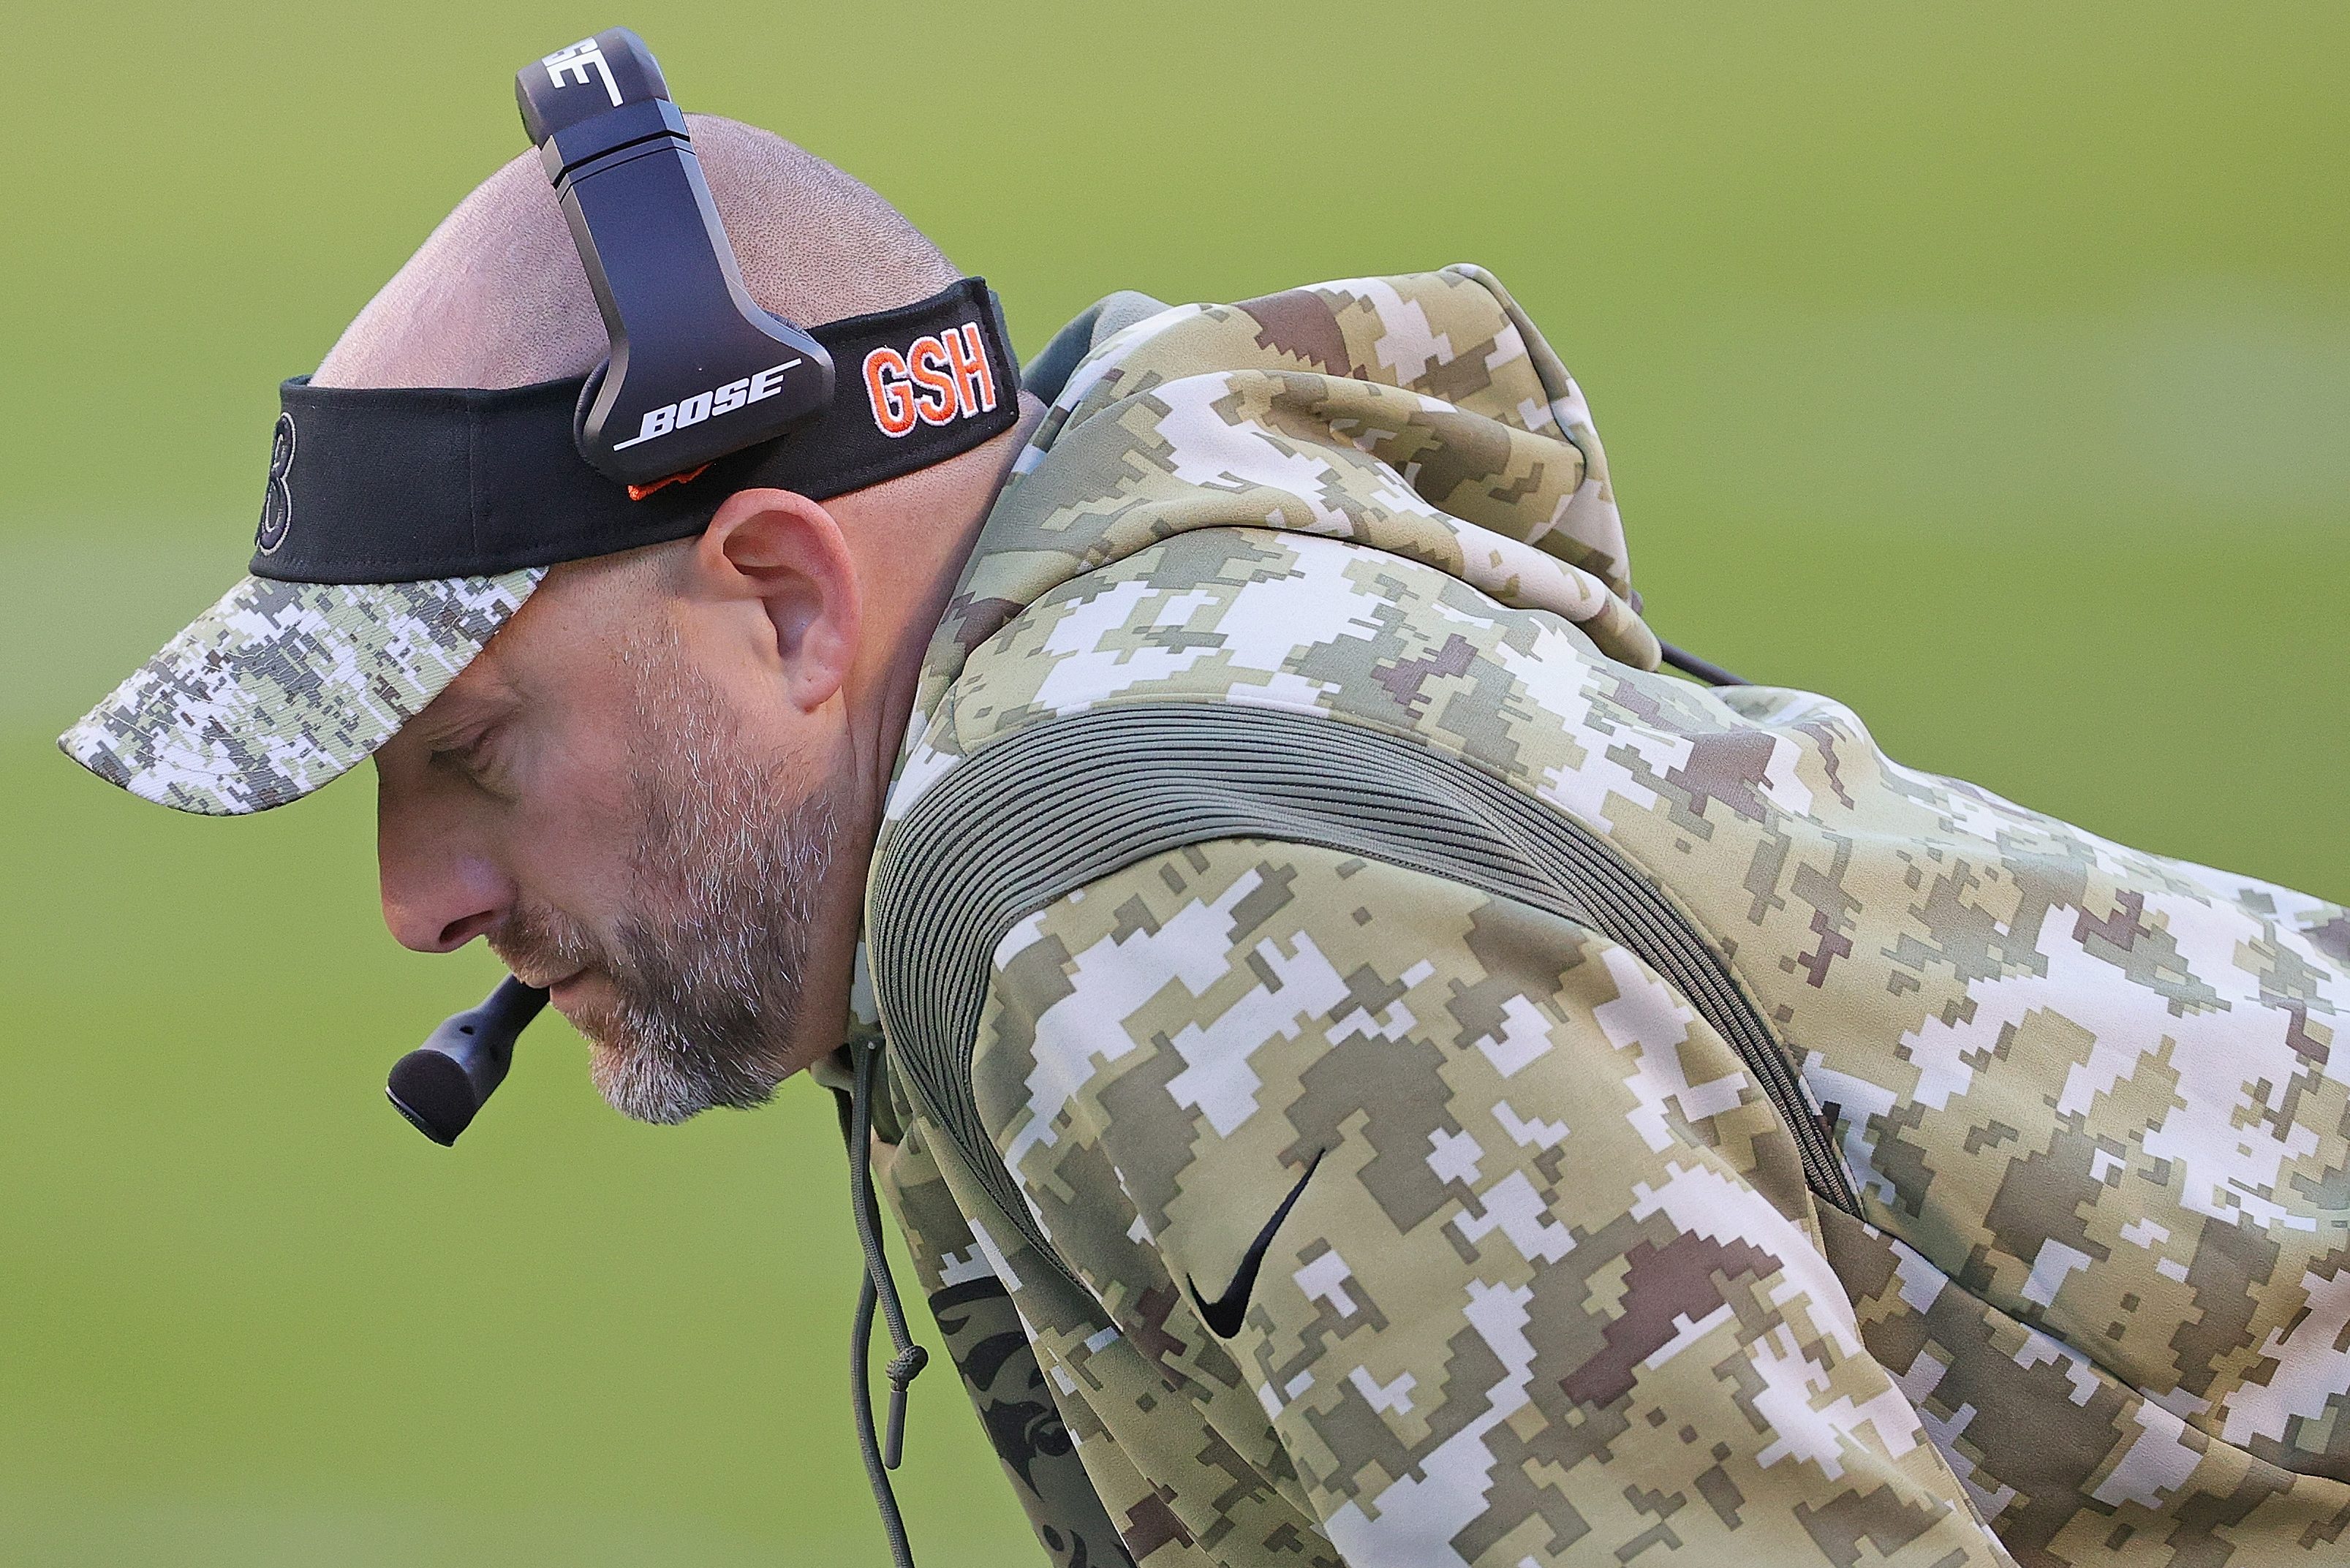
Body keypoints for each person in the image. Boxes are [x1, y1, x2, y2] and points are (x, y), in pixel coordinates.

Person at [61, 109, 2350, 1568]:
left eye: (468, 749)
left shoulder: (1151, 904)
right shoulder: (1114, 679)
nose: (416, 906)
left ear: (778, 596)